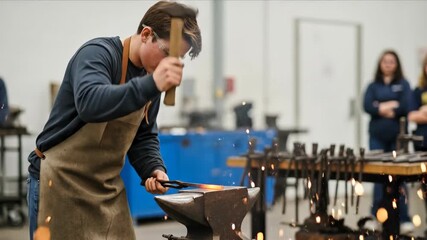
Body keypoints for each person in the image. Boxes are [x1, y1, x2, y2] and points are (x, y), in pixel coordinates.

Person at [26, 1, 202, 239]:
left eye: (177, 59)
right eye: (166, 53)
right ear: (146, 34)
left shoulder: (152, 79)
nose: (169, 66)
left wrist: (154, 168)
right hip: (57, 185)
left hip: (104, 191)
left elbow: (144, 135)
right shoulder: (97, 54)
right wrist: (151, 85)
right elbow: (90, 103)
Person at [363, 50, 414, 234]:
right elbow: (367, 105)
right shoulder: (372, 86)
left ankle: (404, 218)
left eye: (391, 61)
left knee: (399, 177)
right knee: (378, 175)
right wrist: (389, 105)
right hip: (377, 137)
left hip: (397, 138)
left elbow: (406, 105)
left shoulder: (404, 84)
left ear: (397, 64)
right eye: (385, 61)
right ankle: (377, 216)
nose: (388, 64)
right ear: (380, 64)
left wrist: (381, 107)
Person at [407, 54, 427, 236]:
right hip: (422, 142)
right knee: (425, 187)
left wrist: (424, 111)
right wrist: (420, 112)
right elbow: (411, 116)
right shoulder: (418, 91)